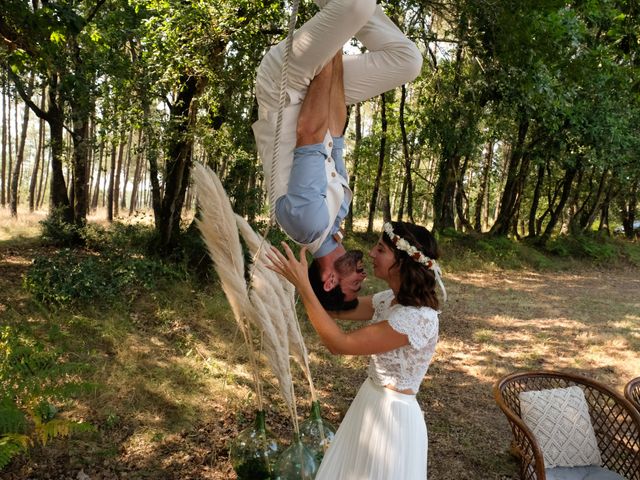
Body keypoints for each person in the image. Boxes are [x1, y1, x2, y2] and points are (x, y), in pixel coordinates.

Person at [252, 0, 422, 310]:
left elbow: (311, 130)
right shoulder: (336, 215)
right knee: (407, 62)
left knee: (356, 5)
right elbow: (335, 130)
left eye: (355, 283)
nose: (363, 275)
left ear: (330, 280)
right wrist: (334, 50)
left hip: (284, 87)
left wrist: (332, 48)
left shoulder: (307, 225)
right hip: (310, 94)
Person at [266, 221, 444, 479]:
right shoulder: (388, 299)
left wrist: (303, 285)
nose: (371, 253)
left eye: (381, 249)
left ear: (403, 262)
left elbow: (340, 344)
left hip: (393, 421)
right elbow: (333, 309)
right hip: (369, 402)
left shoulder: (418, 318)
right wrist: (324, 259)